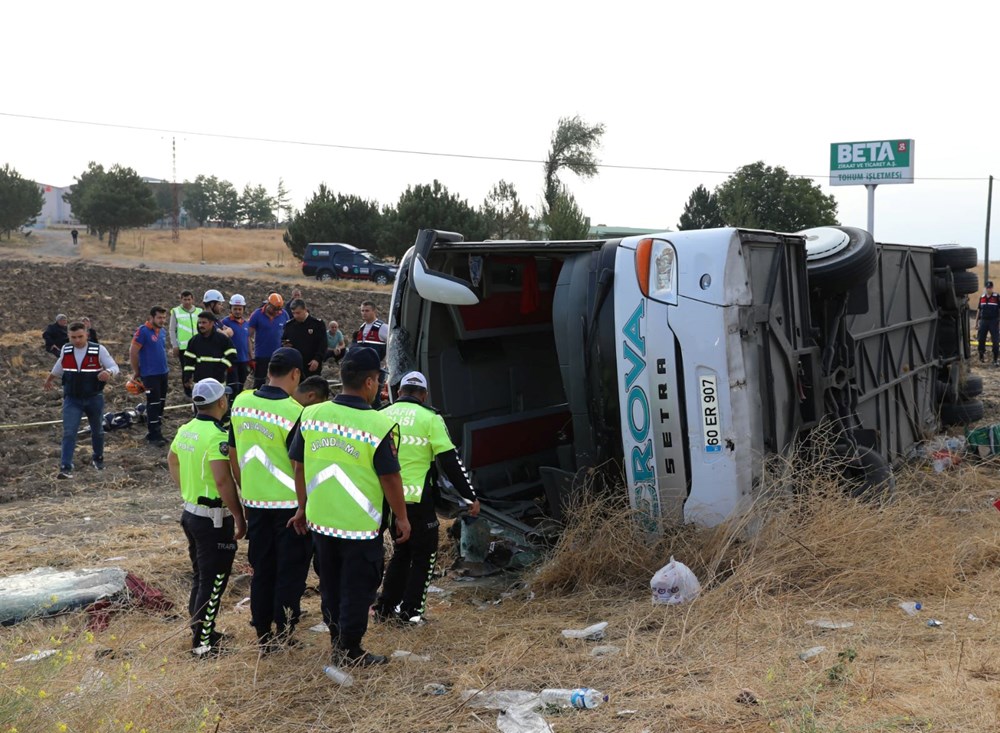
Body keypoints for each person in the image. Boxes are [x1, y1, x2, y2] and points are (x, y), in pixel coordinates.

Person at [287, 347, 410, 667]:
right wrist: (402, 516)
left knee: (330, 583)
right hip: (359, 527)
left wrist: (301, 507)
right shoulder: (378, 424)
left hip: (321, 522)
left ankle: (336, 638)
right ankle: (350, 649)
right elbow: (391, 478)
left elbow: (297, 466)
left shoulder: (311, 414)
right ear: (370, 382)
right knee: (359, 587)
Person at [374, 371, 479, 625]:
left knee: (402, 552)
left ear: (399, 392)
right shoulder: (430, 418)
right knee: (424, 554)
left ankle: (385, 608)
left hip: (385, 498)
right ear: (423, 395)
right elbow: (450, 461)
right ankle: (411, 614)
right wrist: (470, 497)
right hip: (415, 499)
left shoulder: (379, 415)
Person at [228, 348, 309, 653]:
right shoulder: (295, 412)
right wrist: (304, 505)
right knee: (290, 572)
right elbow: (300, 466)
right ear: (295, 374)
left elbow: (233, 452)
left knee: (262, 570)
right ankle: (285, 631)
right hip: (289, 507)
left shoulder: (241, 402)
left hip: (255, 503)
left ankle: (263, 635)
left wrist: (244, 485)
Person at [168, 378, 246, 657]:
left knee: (201, 577)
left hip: (191, 513)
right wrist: (239, 515)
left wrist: (187, 488)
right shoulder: (217, 436)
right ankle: (202, 645)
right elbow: (224, 481)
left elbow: (172, 459)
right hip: (213, 518)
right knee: (214, 581)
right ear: (222, 402)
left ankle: (203, 631)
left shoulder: (186, 429)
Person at [43, 321, 120, 478]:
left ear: (87, 334)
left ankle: (98, 458)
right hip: (72, 399)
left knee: (97, 431)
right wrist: (50, 379)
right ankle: (66, 467)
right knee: (69, 432)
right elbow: (60, 365)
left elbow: (114, 366)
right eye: (73, 337)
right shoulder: (66, 349)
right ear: (69, 336)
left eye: (80, 336)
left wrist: (109, 373)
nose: (77, 340)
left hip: (94, 398)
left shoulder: (98, 350)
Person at [130, 306, 170, 447]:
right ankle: (153, 435)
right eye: (159, 317)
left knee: (161, 403)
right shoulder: (143, 331)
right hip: (150, 375)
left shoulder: (162, 331)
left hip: (163, 373)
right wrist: (137, 372)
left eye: (164, 317)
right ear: (151, 317)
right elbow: (133, 352)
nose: (162, 320)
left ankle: (157, 432)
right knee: (153, 404)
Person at [183, 312, 237, 391]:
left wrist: (221, 368)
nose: (201, 325)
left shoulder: (222, 339)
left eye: (204, 323)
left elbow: (232, 355)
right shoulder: (194, 340)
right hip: (199, 383)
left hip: (218, 382)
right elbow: (188, 361)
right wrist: (187, 377)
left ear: (212, 323)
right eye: (199, 323)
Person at [248, 293, 290, 389]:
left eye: (279, 310)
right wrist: (251, 354)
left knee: (278, 382)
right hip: (261, 355)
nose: (277, 312)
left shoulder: (284, 314)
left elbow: (288, 332)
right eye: (274, 309)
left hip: (278, 355)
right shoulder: (257, 315)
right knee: (259, 382)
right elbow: (247, 335)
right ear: (268, 304)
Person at [281, 298, 327, 379]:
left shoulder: (317, 324)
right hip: (294, 367)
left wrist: (317, 359)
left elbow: (323, 344)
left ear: (305, 310)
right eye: (293, 313)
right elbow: (283, 341)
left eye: (298, 313)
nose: (296, 316)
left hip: (311, 365)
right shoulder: (290, 325)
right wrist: (285, 345)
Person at [221, 294, 251, 398]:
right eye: (235, 309)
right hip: (231, 362)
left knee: (242, 386)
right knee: (233, 387)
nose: (238, 311)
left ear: (243, 309)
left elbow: (248, 341)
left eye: (240, 309)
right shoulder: (225, 322)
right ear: (231, 309)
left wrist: (251, 358)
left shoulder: (246, 324)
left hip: (243, 360)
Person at [169, 291, 199, 362]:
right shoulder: (176, 311)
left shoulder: (199, 311)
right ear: (181, 300)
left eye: (189, 299)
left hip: (198, 346)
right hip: (183, 348)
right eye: (185, 299)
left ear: (192, 299)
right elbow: (172, 330)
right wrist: (175, 345)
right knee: (186, 371)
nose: (187, 302)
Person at [977, 280, 1000, 365]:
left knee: (995, 340)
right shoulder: (982, 297)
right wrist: (976, 322)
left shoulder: (997, 297)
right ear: (985, 288)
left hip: (994, 321)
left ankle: (995, 359)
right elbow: (979, 310)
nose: (988, 289)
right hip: (983, 321)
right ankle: (981, 357)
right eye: (987, 288)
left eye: (990, 288)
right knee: (981, 339)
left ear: (992, 288)